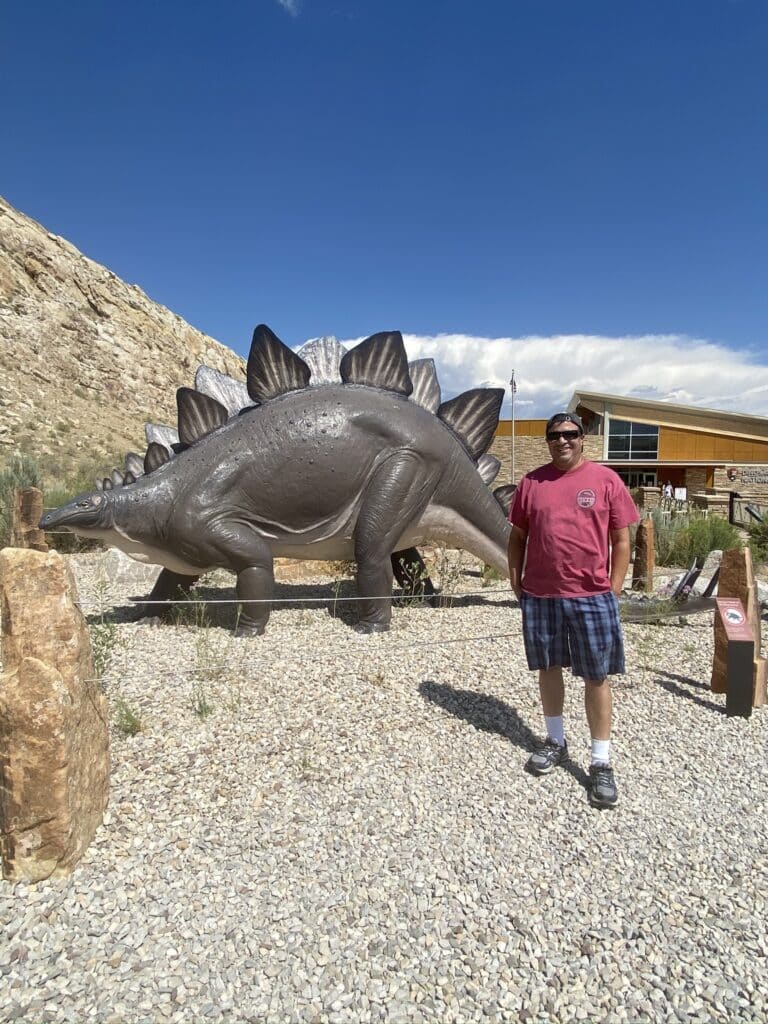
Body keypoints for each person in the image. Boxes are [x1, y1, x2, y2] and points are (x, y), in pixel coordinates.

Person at [507, 412, 638, 808]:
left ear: (582, 439)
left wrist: (612, 590)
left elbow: (622, 540)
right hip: (542, 595)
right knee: (548, 668)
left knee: (596, 676)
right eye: (555, 436)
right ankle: (555, 741)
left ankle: (600, 762)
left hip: (591, 596)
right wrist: (517, 581)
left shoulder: (605, 481)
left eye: (570, 435)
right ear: (547, 441)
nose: (562, 441)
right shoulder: (531, 483)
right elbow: (517, 538)